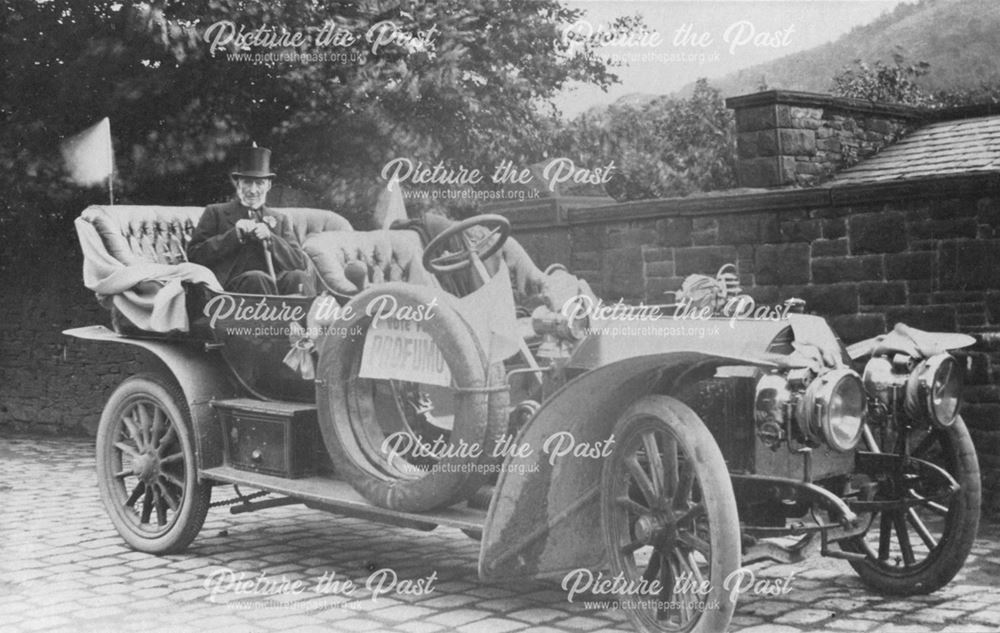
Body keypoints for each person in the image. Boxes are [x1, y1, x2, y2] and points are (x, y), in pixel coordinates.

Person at [188, 147, 315, 295]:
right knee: (257, 278)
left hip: (275, 286)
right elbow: (194, 256)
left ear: (268, 186)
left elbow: (299, 262)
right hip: (232, 290)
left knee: (299, 277)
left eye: (259, 183)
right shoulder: (216, 212)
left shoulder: (279, 219)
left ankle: (303, 318)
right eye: (247, 182)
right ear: (238, 184)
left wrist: (271, 238)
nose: (253, 190)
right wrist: (234, 235)